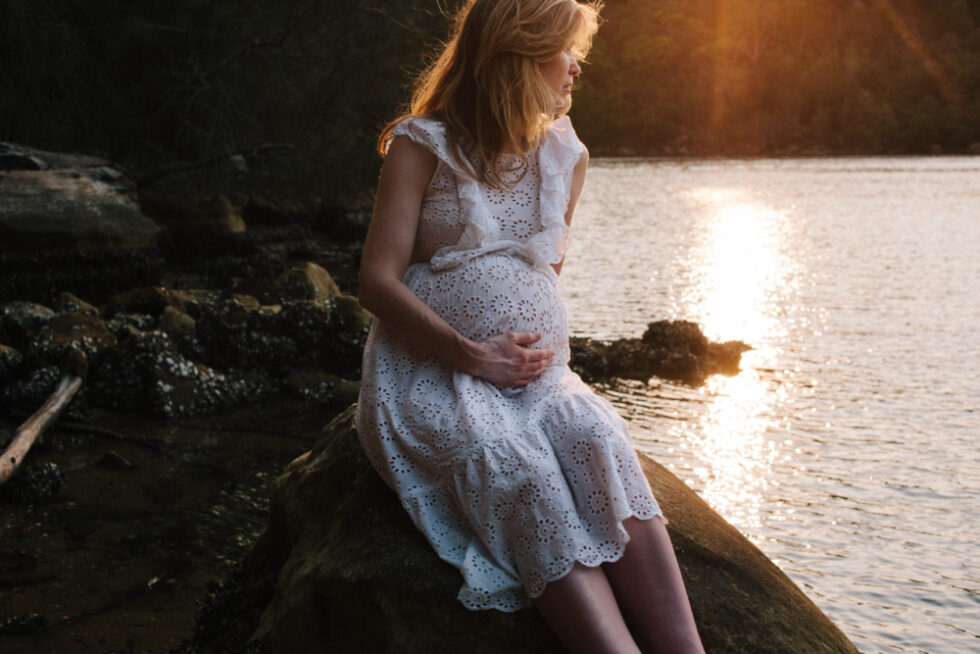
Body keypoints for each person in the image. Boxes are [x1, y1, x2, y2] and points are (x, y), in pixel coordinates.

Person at [355, 0, 704, 651]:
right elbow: (376, 279)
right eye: (566, 50)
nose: (576, 68)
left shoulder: (566, 154)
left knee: (597, 436)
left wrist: (527, 354)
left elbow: (544, 275)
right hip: (432, 370)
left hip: (537, 375)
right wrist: (470, 353)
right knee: (520, 469)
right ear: (519, 54)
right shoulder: (420, 142)